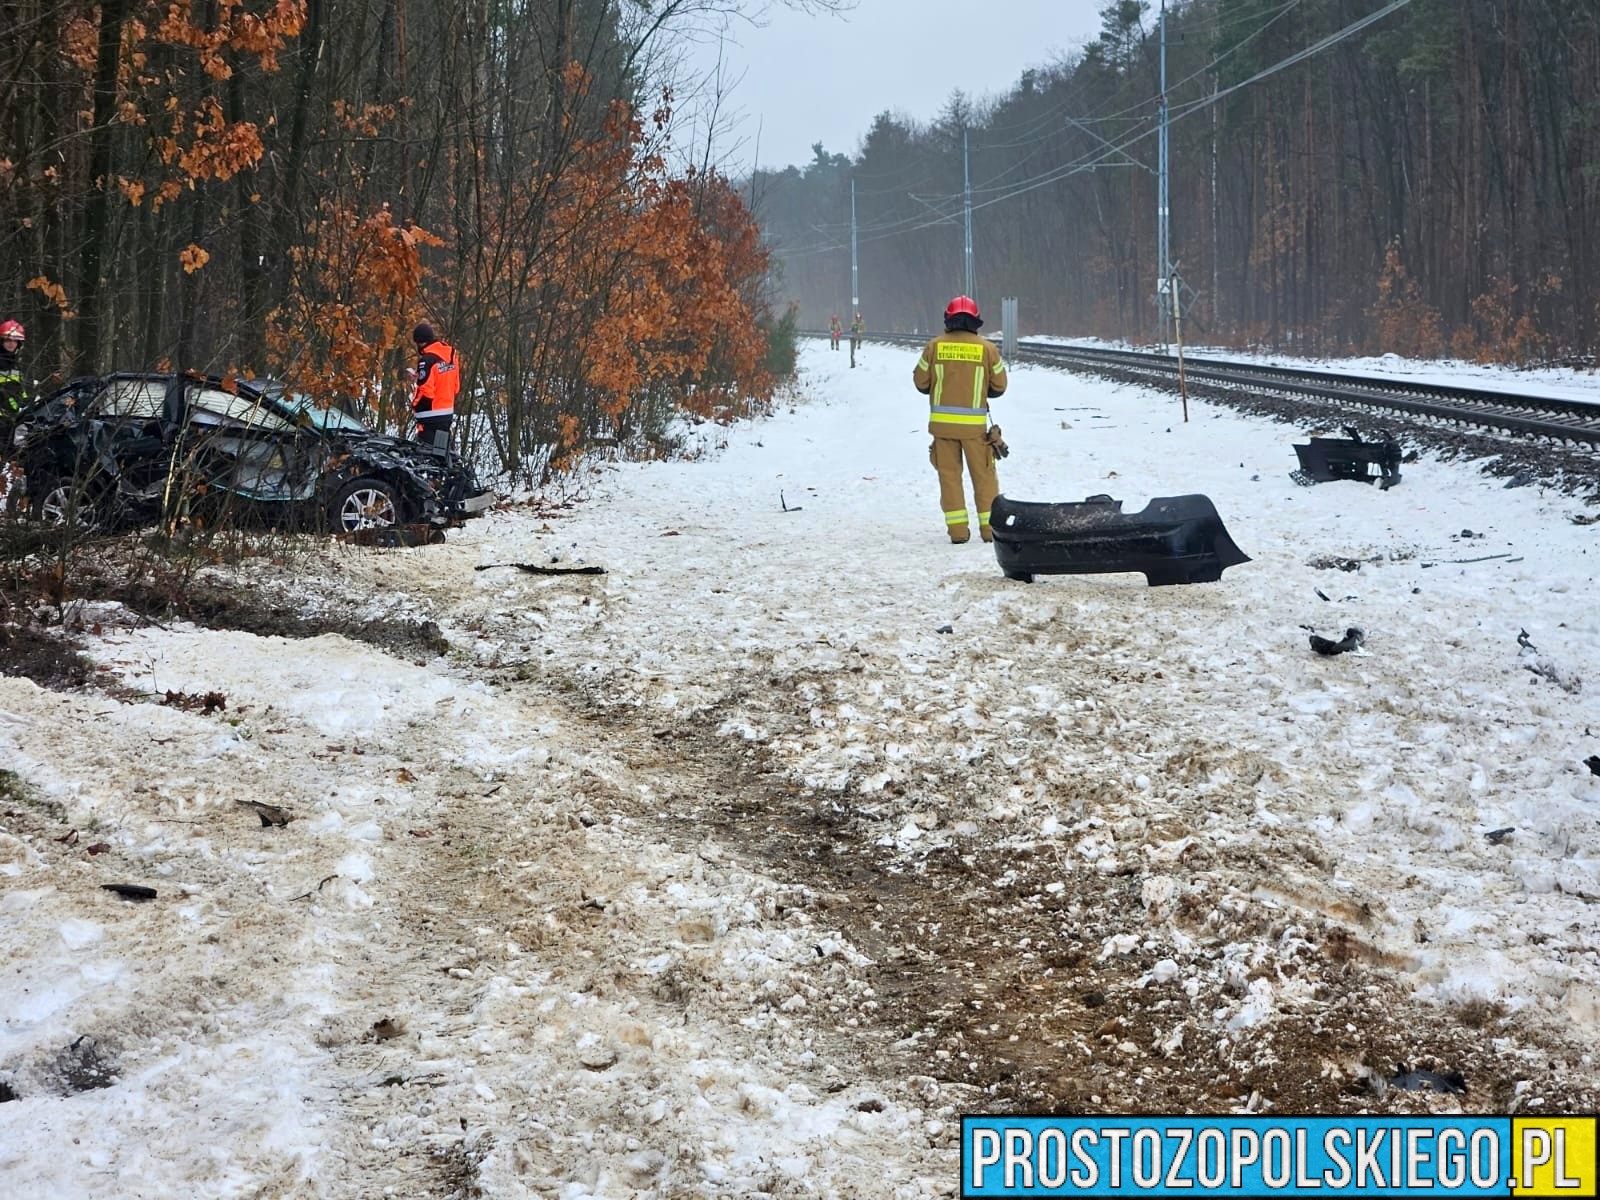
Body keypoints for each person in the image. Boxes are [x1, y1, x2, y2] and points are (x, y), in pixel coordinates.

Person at [911, 296, 1007, 544]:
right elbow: (1000, 386)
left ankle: (958, 533)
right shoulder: (987, 349)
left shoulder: (934, 347)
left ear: (948, 319)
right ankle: (989, 531)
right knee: (984, 478)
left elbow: (920, 382)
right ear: (976, 321)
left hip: (943, 429)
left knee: (950, 478)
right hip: (975, 430)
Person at [410, 321, 460, 454]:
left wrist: (414, 405)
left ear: (420, 342)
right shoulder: (451, 356)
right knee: (443, 452)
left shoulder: (426, 361)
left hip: (429, 416)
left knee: (427, 454)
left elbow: (426, 391)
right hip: (447, 413)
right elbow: (455, 386)